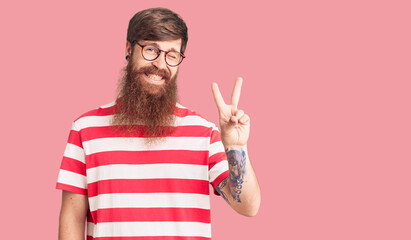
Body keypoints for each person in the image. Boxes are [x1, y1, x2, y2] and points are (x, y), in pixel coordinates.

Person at [57, 7, 261, 240]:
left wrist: (236, 147)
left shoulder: (204, 133)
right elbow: (72, 218)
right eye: (151, 49)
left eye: (171, 54)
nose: (160, 64)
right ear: (128, 49)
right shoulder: (85, 129)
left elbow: (248, 207)